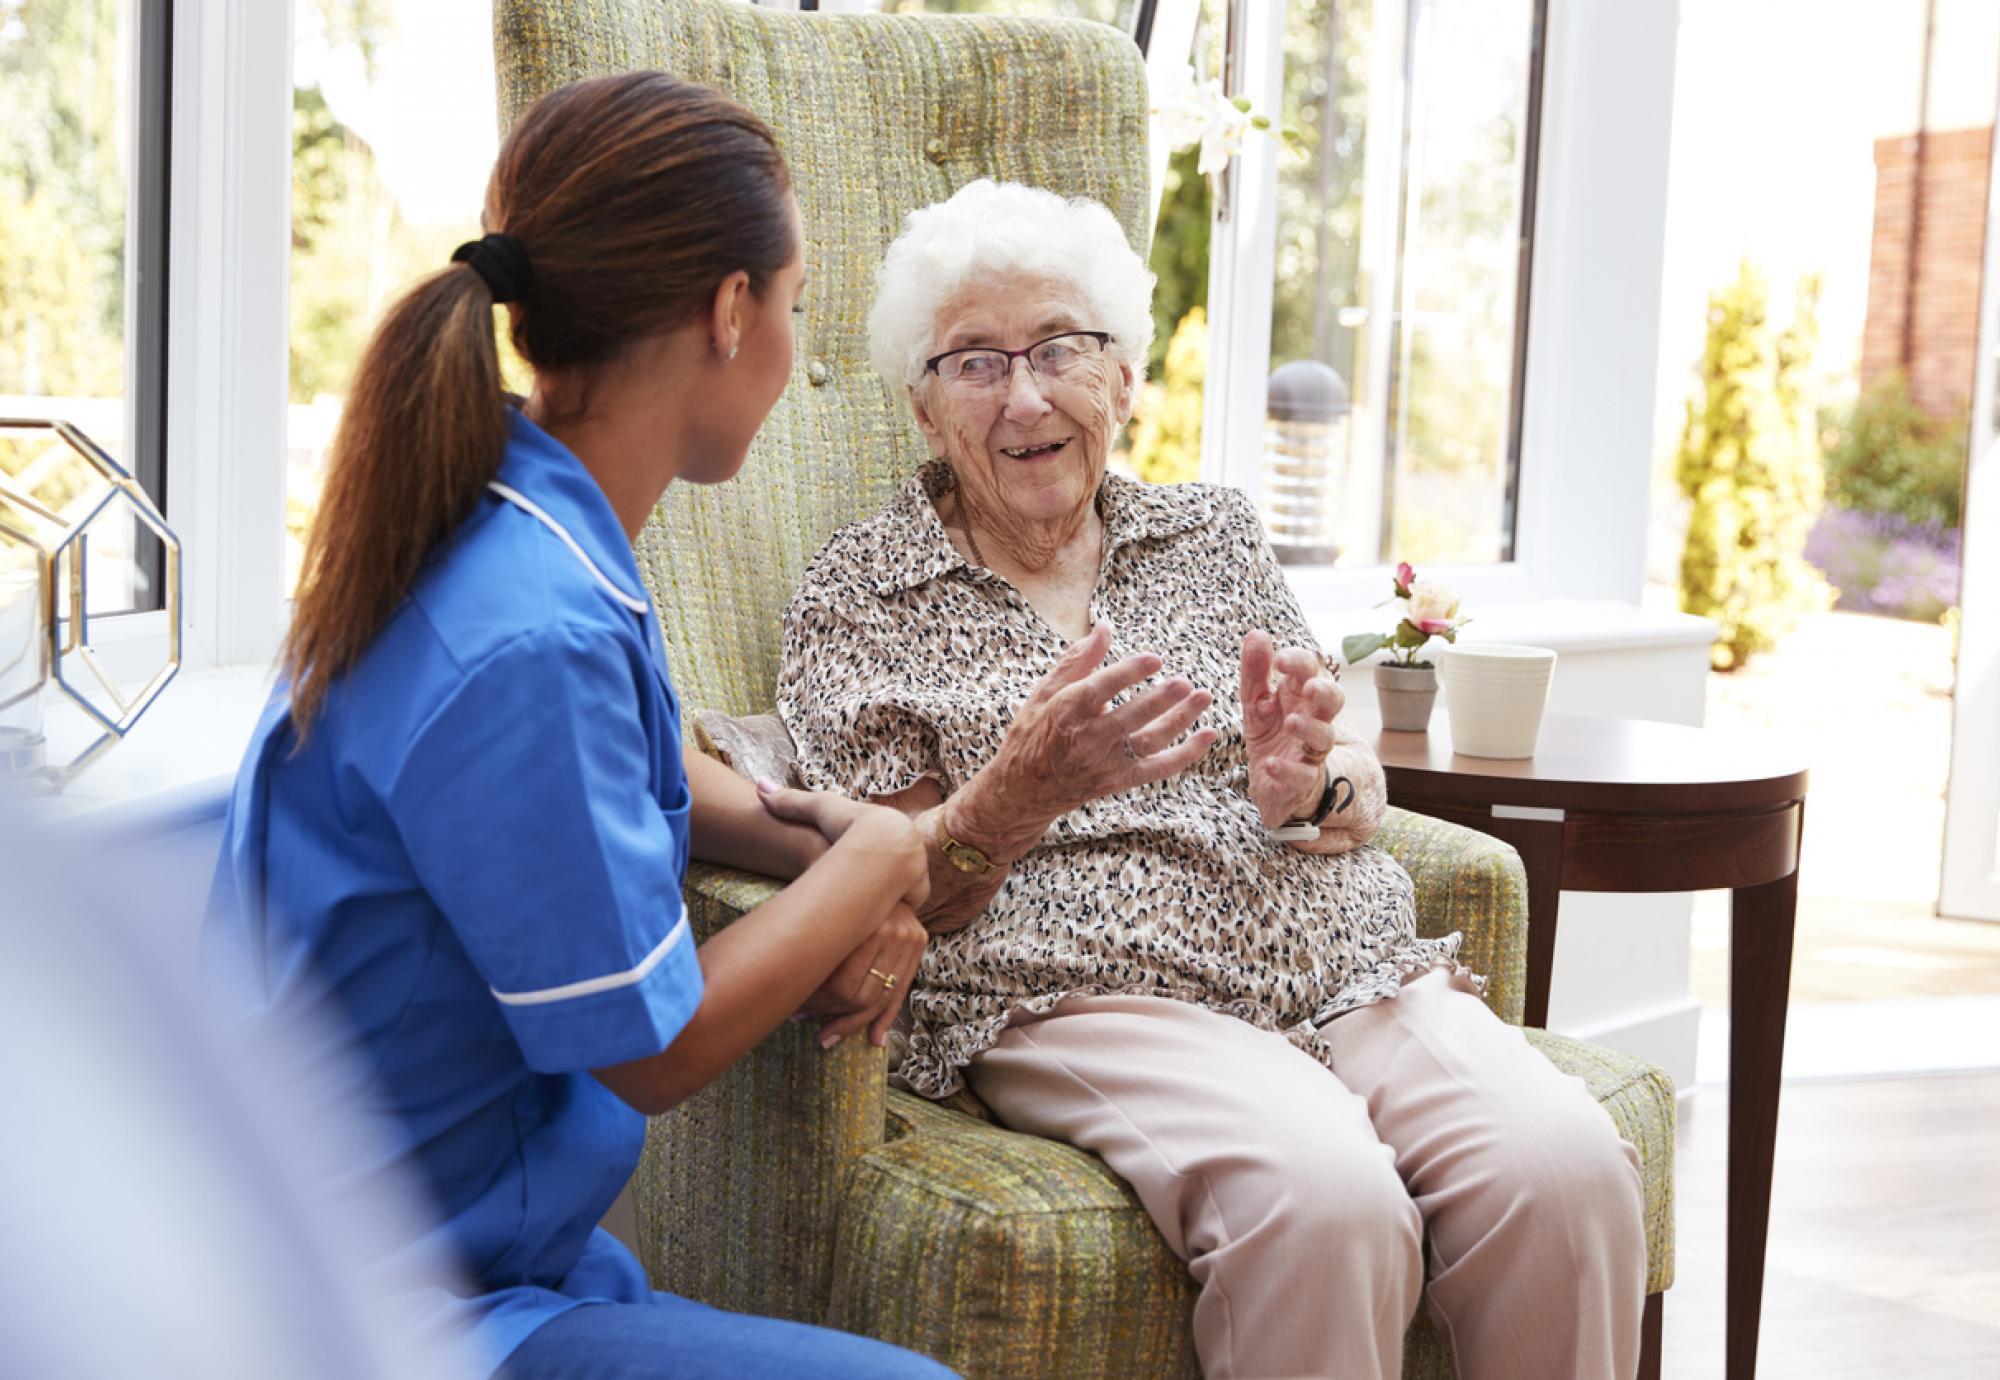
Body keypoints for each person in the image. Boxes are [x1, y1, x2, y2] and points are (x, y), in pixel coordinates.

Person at [774, 178, 1645, 1380]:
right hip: (1082, 992)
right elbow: (884, 891)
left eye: (1059, 351)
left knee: (1564, 1167)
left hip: (1340, 966)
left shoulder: (1214, 536)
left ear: (1122, 381)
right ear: (924, 409)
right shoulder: (861, 596)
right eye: (972, 363)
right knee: (1326, 1199)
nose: (1023, 395)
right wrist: (1013, 795)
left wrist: (1314, 788)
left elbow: (1349, 781)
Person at [205, 72, 956, 1380]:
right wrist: (879, 864)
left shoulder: (497, 524)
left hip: (449, 1251)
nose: (791, 344)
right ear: (731, 312)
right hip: (381, 1310)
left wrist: (804, 838)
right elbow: (647, 1054)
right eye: (792, 304)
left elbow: (607, 773)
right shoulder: (532, 633)